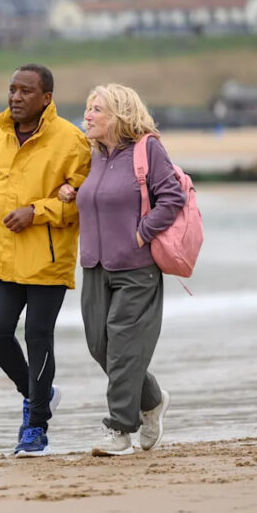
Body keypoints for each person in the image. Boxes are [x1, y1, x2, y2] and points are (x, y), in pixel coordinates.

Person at [58, 83, 186, 456]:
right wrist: (70, 192)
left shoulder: (148, 149)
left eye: (97, 109)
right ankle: (152, 399)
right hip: (95, 265)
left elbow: (172, 197)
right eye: (88, 108)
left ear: (120, 115)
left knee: (123, 348)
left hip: (136, 268)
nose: (88, 116)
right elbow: (95, 195)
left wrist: (142, 234)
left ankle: (119, 430)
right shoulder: (93, 155)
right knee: (101, 346)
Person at [0, 63, 91, 457]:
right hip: (2, 257)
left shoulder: (72, 141)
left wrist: (36, 212)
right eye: (12, 89)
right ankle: (39, 394)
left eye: (26, 91)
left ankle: (35, 427)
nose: (16, 97)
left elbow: (82, 203)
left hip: (47, 258)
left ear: (46, 98)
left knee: (38, 338)